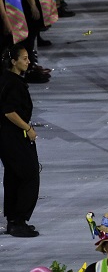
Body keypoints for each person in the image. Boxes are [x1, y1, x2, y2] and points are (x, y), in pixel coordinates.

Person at [0, 45, 40, 238]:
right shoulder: (13, 83)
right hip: (12, 136)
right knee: (29, 174)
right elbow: (9, 111)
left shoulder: (9, 79)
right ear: (13, 62)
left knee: (14, 176)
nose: (28, 62)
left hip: (7, 137)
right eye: (24, 59)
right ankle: (18, 219)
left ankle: (14, 221)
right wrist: (28, 129)